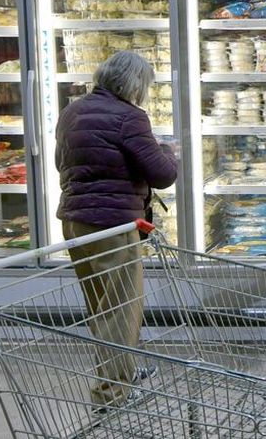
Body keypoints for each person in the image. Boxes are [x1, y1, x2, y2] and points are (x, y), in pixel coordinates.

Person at [55, 50, 178, 409]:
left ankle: (120, 371)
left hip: (75, 222)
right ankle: (111, 394)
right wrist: (169, 150)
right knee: (122, 311)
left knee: (101, 309)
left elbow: (64, 162)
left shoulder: (71, 111)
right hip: (112, 226)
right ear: (134, 84)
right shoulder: (130, 117)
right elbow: (163, 174)